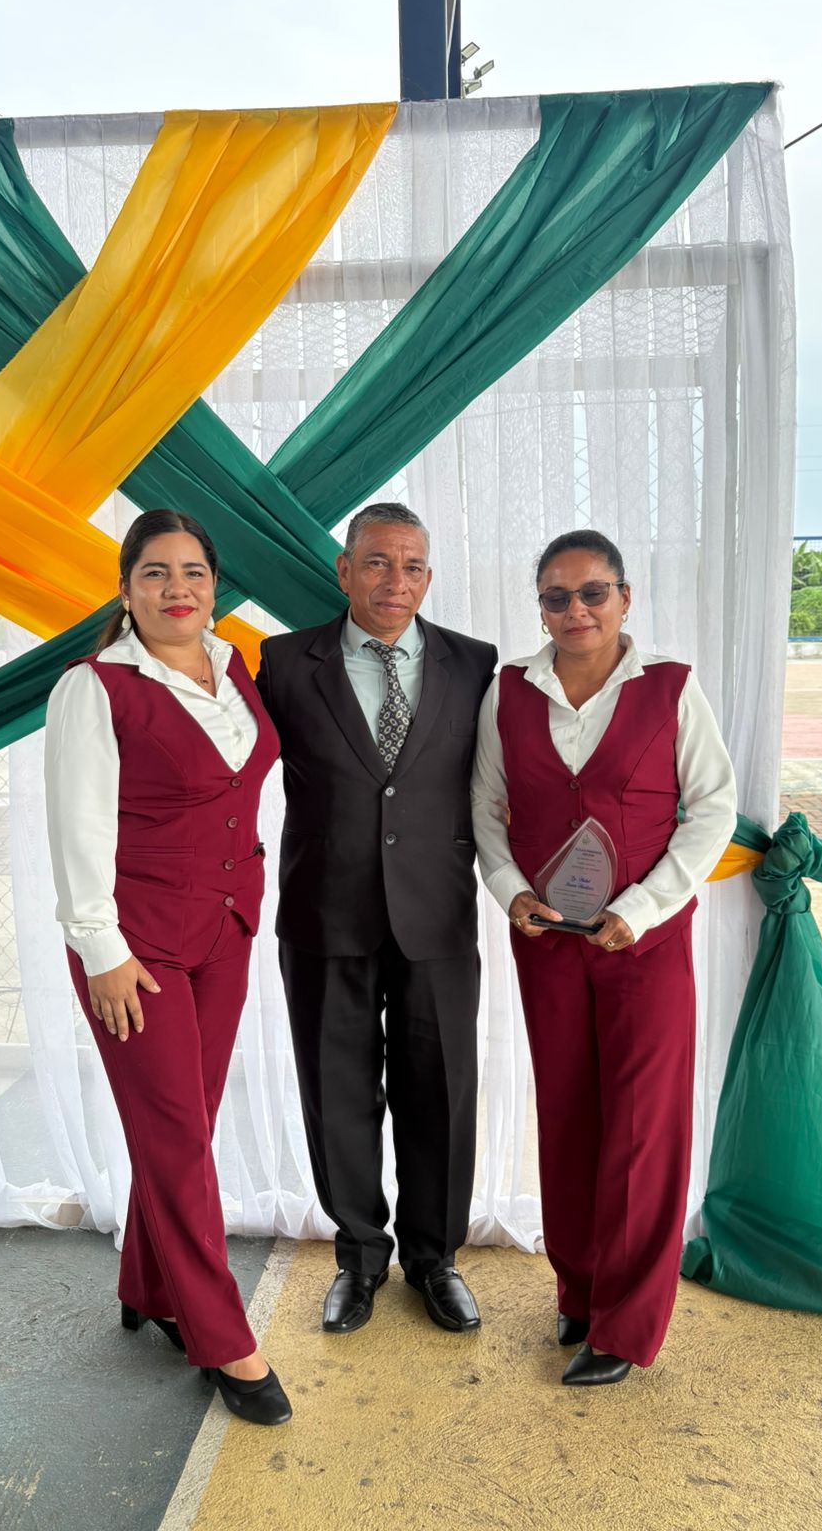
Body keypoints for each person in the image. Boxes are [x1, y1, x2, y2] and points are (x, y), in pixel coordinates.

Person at [471, 529, 737, 1386]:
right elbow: (486, 805)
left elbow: (713, 809)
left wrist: (642, 909)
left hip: (645, 945)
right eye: (557, 597)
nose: (576, 610)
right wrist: (511, 893)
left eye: (593, 593)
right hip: (547, 941)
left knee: (642, 1127)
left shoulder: (671, 687)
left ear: (626, 598)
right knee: (568, 1113)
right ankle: (579, 1291)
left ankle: (627, 1325)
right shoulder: (509, 690)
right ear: (540, 607)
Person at [44, 508, 291, 1426]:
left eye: (193, 572)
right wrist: (99, 950)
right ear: (125, 590)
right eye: (155, 573)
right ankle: (225, 1339)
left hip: (225, 931)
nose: (176, 588)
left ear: (215, 586)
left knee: (188, 1124)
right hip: (134, 948)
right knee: (179, 1137)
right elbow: (75, 827)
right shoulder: (94, 688)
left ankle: (149, 1285)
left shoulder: (237, 669)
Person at [257, 504, 496, 1337]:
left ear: (429, 576)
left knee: (442, 1092)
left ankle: (435, 1260)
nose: (397, 581)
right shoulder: (283, 663)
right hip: (324, 914)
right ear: (344, 570)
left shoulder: (475, 664)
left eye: (413, 566)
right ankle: (359, 1258)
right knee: (337, 1094)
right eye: (378, 563)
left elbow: (505, 781)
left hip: (438, 915)